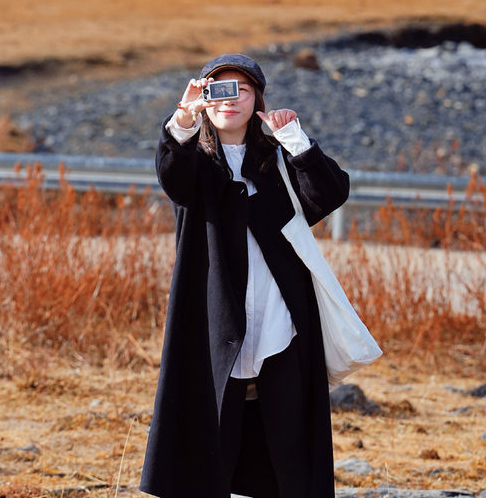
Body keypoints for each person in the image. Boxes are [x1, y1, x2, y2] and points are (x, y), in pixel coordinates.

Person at [140, 53, 350, 498]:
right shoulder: (194, 162)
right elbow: (170, 176)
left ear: (258, 100)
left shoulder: (276, 160)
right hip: (215, 324)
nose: (229, 99)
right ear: (204, 99)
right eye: (218, 89)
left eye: (242, 89)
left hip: (282, 323)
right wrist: (182, 119)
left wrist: (296, 141)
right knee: (214, 442)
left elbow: (329, 194)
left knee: (289, 449)